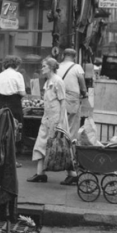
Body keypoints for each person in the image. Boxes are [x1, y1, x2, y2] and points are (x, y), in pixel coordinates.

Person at [28, 57, 66, 183]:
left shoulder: (58, 81)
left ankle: (73, 173)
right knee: (41, 143)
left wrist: (60, 122)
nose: (42, 68)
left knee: (59, 147)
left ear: (50, 67)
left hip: (56, 119)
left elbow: (63, 101)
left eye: (44, 66)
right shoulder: (48, 81)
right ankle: (40, 173)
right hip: (47, 118)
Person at [57, 48, 87, 186]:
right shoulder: (77, 67)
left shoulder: (57, 66)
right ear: (74, 57)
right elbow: (82, 82)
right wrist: (84, 93)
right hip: (73, 100)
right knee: (72, 133)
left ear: (63, 55)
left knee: (61, 130)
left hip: (59, 100)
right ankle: (73, 163)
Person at [0, 55, 25, 168]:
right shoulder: (18, 75)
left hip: (2, 103)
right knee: (15, 130)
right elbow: (22, 93)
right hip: (14, 103)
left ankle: (1, 157)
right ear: (16, 65)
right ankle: (13, 159)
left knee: (2, 130)